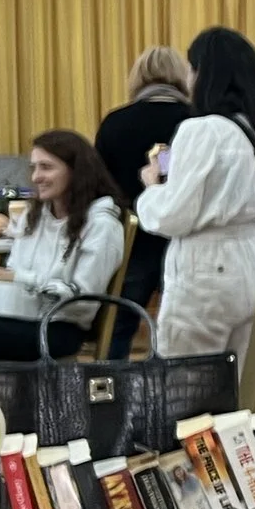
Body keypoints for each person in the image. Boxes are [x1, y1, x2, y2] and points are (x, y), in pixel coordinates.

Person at [0, 132, 126, 389]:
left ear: (76, 171)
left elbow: (82, 301)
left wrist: (18, 278)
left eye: (46, 167)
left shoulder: (102, 225)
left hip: (59, 328)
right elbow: (16, 270)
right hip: (25, 314)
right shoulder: (37, 214)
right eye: (34, 167)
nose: (35, 177)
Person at [135, 26, 255, 369]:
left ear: (203, 73)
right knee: (244, 383)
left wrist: (151, 188)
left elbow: (174, 215)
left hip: (204, 267)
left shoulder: (201, 130)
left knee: (188, 385)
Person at [95, 47, 193, 360]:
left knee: (119, 324)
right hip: (183, 237)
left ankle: (111, 391)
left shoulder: (115, 122)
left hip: (131, 241)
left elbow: (101, 185)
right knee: (182, 327)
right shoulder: (197, 121)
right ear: (182, 77)